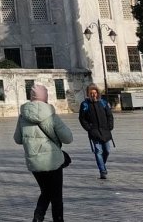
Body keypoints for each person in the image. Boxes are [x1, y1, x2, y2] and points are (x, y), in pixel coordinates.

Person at [14, 83, 72, 222]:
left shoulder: (23, 116)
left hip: (34, 161)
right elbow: (68, 138)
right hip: (53, 161)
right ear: (45, 97)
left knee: (46, 192)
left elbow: (17, 139)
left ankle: (38, 218)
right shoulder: (50, 115)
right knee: (56, 195)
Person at [78, 84, 114, 180]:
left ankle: (102, 164)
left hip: (105, 131)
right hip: (94, 132)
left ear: (97, 93)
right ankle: (102, 171)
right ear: (88, 94)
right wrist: (88, 128)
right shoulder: (85, 105)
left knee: (107, 150)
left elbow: (109, 115)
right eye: (91, 93)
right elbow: (82, 118)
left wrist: (110, 126)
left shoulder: (103, 103)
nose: (93, 95)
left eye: (95, 93)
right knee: (98, 151)